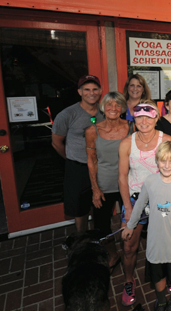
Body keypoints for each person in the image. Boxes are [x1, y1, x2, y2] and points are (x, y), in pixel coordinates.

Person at [121, 141, 171, 311]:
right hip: (155, 240)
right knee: (157, 273)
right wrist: (130, 225)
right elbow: (139, 206)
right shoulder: (150, 181)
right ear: (157, 161)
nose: (167, 165)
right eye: (163, 161)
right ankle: (161, 302)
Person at [118, 101, 171, 306]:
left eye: (148, 117)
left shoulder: (166, 140)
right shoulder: (126, 143)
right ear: (134, 119)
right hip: (135, 199)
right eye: (139, 117)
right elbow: (122, 177)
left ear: (156, 118)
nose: (143, 121)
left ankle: (165, 276)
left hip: (161, 199)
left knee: (164, 242)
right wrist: (128, 208)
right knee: (129, 246)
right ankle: (128, 280)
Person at [52, 75, 105, 232]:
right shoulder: (67, 114)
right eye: (87, 89)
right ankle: (82, 240)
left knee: (100, 205)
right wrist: (72, 158)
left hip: (100, 167)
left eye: (95, 89)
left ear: (100, 91)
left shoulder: (105, 112)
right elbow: (56, 143)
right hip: (78, 168)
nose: (91, 93)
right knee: (79, 208)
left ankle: (98, 237)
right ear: (79, 92)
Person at [85, 91, 130, 272]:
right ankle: (112, 253)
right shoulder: (92, 130)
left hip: (127, 183)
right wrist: (95, 188)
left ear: (122, 108)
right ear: (103, 107)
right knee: (102, 225)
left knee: (130, 219)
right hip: (104, 185)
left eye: (117, 105)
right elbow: (91, 160)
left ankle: (129, 250)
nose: (113, 108)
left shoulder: (131, 127)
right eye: (109, 105)